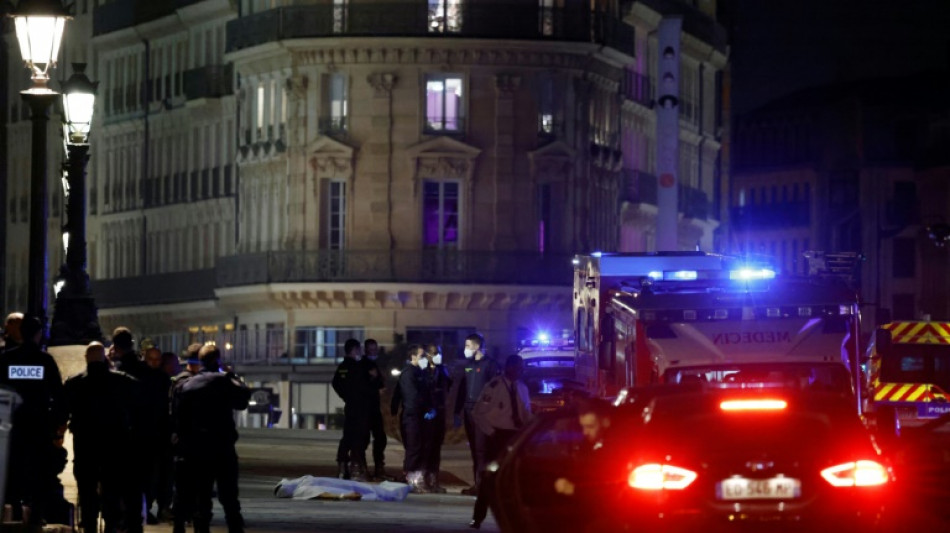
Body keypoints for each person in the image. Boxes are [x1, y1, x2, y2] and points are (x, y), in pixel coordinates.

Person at [65, 342, 143, 533]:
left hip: (85, 446)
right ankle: (111, 525)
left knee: (86, 489)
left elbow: (63, 411)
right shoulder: (124, 381)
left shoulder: (74, 383)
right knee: (112, 489)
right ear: (105, 358)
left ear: (86, 358)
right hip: (114, 445)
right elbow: (138, 407)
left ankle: (89, 525)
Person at [173, 344, 250, 533]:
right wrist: (232, 375)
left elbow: (178, 417)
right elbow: (243, 400)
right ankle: (235, 528)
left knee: (202, 497)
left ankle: (201, 528)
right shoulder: (225, 381)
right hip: (222, 446)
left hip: (196, 448)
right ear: (218, 361)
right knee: (229, 497)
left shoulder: (186, 385)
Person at [0, 315, 68, 525]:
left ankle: (14, 514)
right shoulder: (45, 361)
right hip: (39, 427)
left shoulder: (6, 359)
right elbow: (59, 396)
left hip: (12, 426)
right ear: (39, 334)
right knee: (39, 473)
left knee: (13, 471)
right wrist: (58, 425)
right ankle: (36, 516)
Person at [470, 354, 532, 530]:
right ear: (509, 368)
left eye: (521, 368)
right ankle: (478, 517)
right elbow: (478, 413)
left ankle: (515, 519)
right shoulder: (494, 386)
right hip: (498, 436)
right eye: (517, 367)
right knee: (490, 478)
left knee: (514, 479)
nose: (520, 371)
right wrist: (491, 433)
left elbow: (526, 414)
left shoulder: (522, 388)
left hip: (515, 436)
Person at [454, 332, 500, 495]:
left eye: (468, 345)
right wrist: (457, 411)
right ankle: (478, 484)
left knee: (482, 450)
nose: (465, 349)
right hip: (469, 412)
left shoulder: (491, 365)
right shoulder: (469, 365)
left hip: (483, 414)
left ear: (477, 346)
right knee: (474, 449)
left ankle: (484, 486)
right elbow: (462, 389)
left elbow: (496, 390)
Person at [169, 343, 204, 533]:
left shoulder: (178, 381)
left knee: (182, 487)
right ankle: (195, 521)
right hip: (196, 440)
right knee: (198, 487)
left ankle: (179, 523)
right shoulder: (200, 383)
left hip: (182, 440)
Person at [392, 344, 431, 493]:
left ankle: (415, 477)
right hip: (412, 415)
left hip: (419, 415)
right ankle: (410, 478)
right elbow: (412, 396)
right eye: (422, 356)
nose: (424, 358)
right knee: (414, 447)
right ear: (413, 356)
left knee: (419, 447)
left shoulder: (420, 372)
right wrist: (425, 408)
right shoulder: (409, 373)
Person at [331, 339, 371, 481]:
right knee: (359, 436)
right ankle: (355, 466)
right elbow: (364, 386)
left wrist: (346, 396)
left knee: (349, 435)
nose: (360, 352)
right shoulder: (356, 367)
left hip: (352, 405)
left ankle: (344, 466)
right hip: (359, 406)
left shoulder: (344, 366)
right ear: (354, 349)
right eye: (358, 349)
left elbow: (336, 383)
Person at [141, 347, 173, 523]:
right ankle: (151, 508)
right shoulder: (155, 379)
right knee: (151, 475)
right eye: (151, 359)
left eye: (157, 359)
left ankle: (158, 507)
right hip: (150, 433)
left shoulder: (163, 379)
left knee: (160, 474)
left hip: (159, 433)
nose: (154, 363)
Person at [360, 338, 391, 480]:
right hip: (366, 407)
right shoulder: (362, 365)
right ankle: (362, 467)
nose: (373, 352)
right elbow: (362, 386)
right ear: (365, 350)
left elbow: (383, 382)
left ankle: (379, 468)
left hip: (376, 407)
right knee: (363, 439)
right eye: (370, 350)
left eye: (374, 349)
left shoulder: (379, 364)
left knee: (380, 438)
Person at [422, 343, 451, 493]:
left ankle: (434, 479)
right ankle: (424, 478)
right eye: (434, 353)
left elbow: (447, 387)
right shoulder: (422, 370)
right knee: (426, 446)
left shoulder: (442, 370)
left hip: (439, 411)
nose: (437, 356)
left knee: (436, 446)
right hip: (426, 413)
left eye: (439, 353)